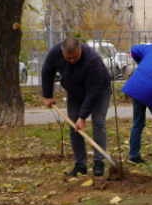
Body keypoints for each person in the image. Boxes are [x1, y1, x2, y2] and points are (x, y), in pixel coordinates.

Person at [41, 37, 112, 177]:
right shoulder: (55, 53)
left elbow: (92, 93)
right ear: (62, 51)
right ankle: (80, 165)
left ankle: (99, 163)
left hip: (99, 91)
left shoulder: (92, 60)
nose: (72, 60)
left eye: (75, 57)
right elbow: (47, 72)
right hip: (74, 91)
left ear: (80, 49)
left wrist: (82, 117)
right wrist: (47, 95)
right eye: (68, 58)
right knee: (74, 126)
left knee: (98, 122)